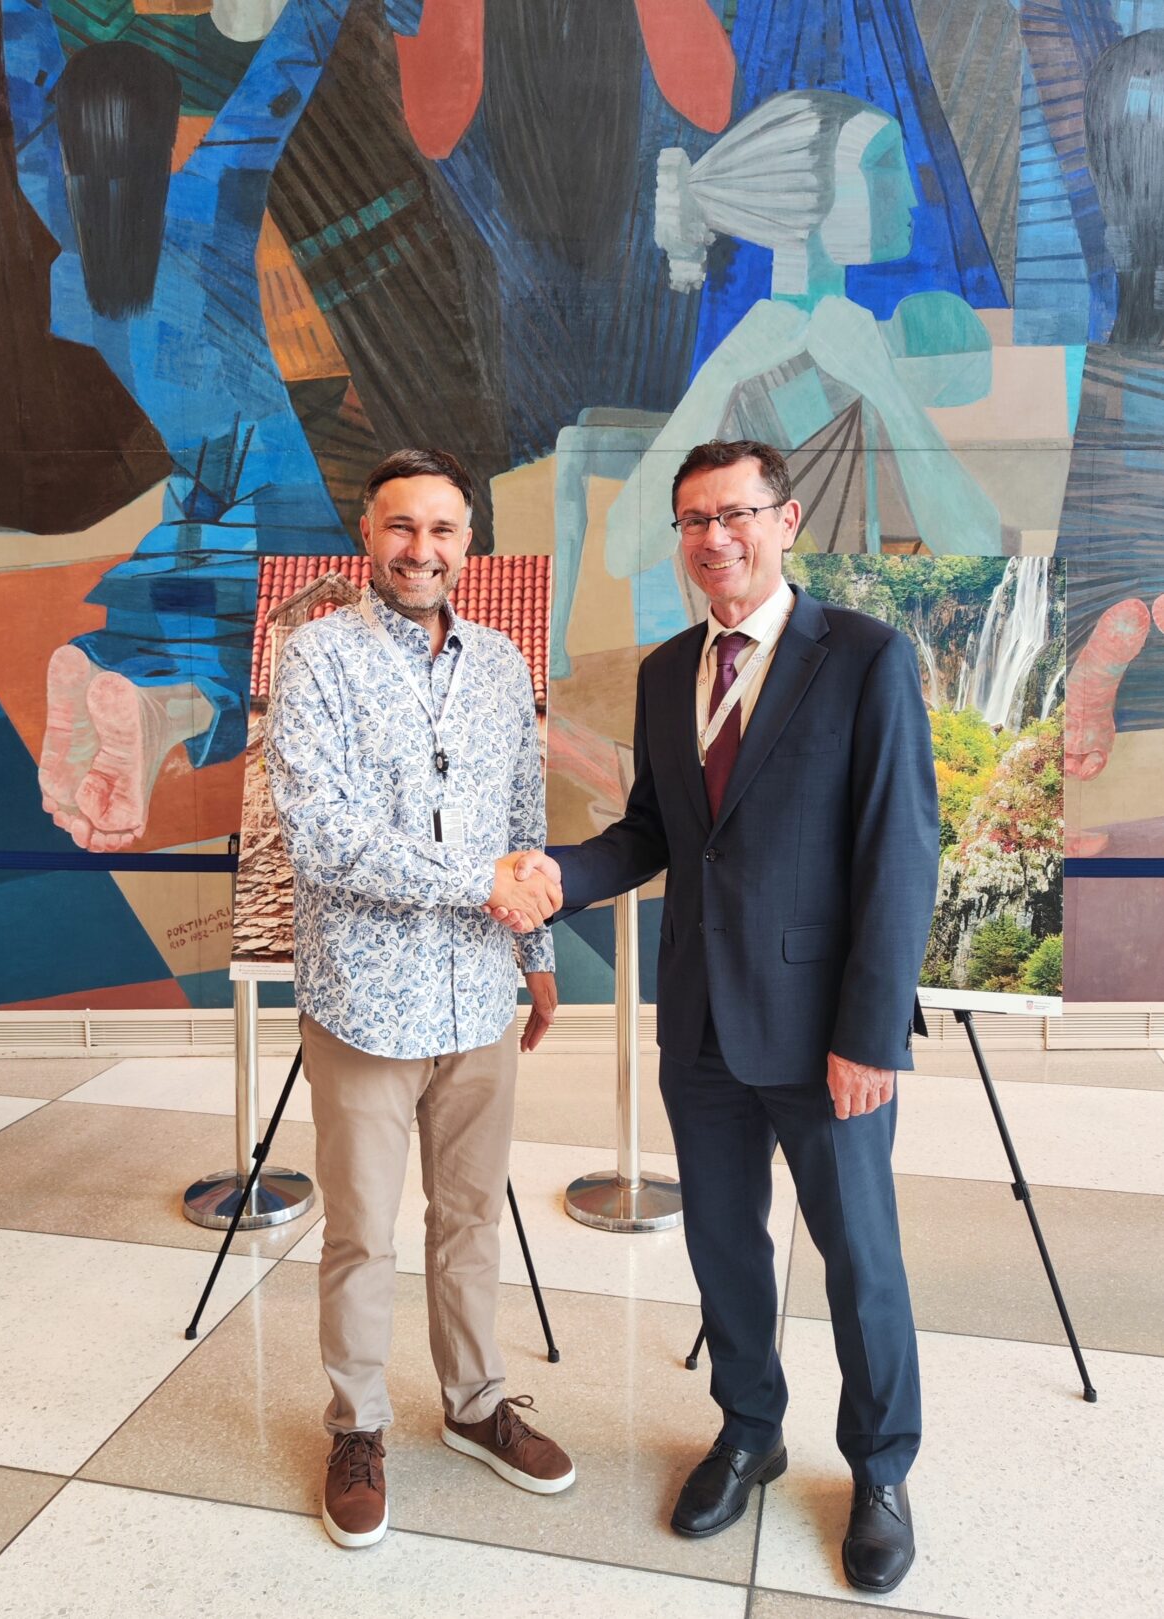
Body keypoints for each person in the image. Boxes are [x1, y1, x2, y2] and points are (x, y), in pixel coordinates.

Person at [505, 439, 939, 1594]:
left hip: (823, 1029)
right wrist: (559, 872)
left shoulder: (865, 656)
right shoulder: (665, 673)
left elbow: (900, 853)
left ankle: (881, 1467)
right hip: (698, 1018)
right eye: (694, 520)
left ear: (785, 520)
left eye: (735, 513)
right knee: (724, 1245)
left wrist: (870, 1034)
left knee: (860, 1256)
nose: (714, 538)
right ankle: (750, 1427)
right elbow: (653, 832)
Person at [264, 448, 574, 1550]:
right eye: (401, 527)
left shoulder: (501, 664)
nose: (421, 549)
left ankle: (477, 1403)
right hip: (364, 997)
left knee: (472, 1218)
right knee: (360, 1231)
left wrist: (537, 951)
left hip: (482, 994)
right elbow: (323, 834)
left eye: (443, 529)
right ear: (368, 533)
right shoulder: (316, 656)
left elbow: (523, 817)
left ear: (469, 542)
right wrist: (476, 882)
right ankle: (357, 1427)